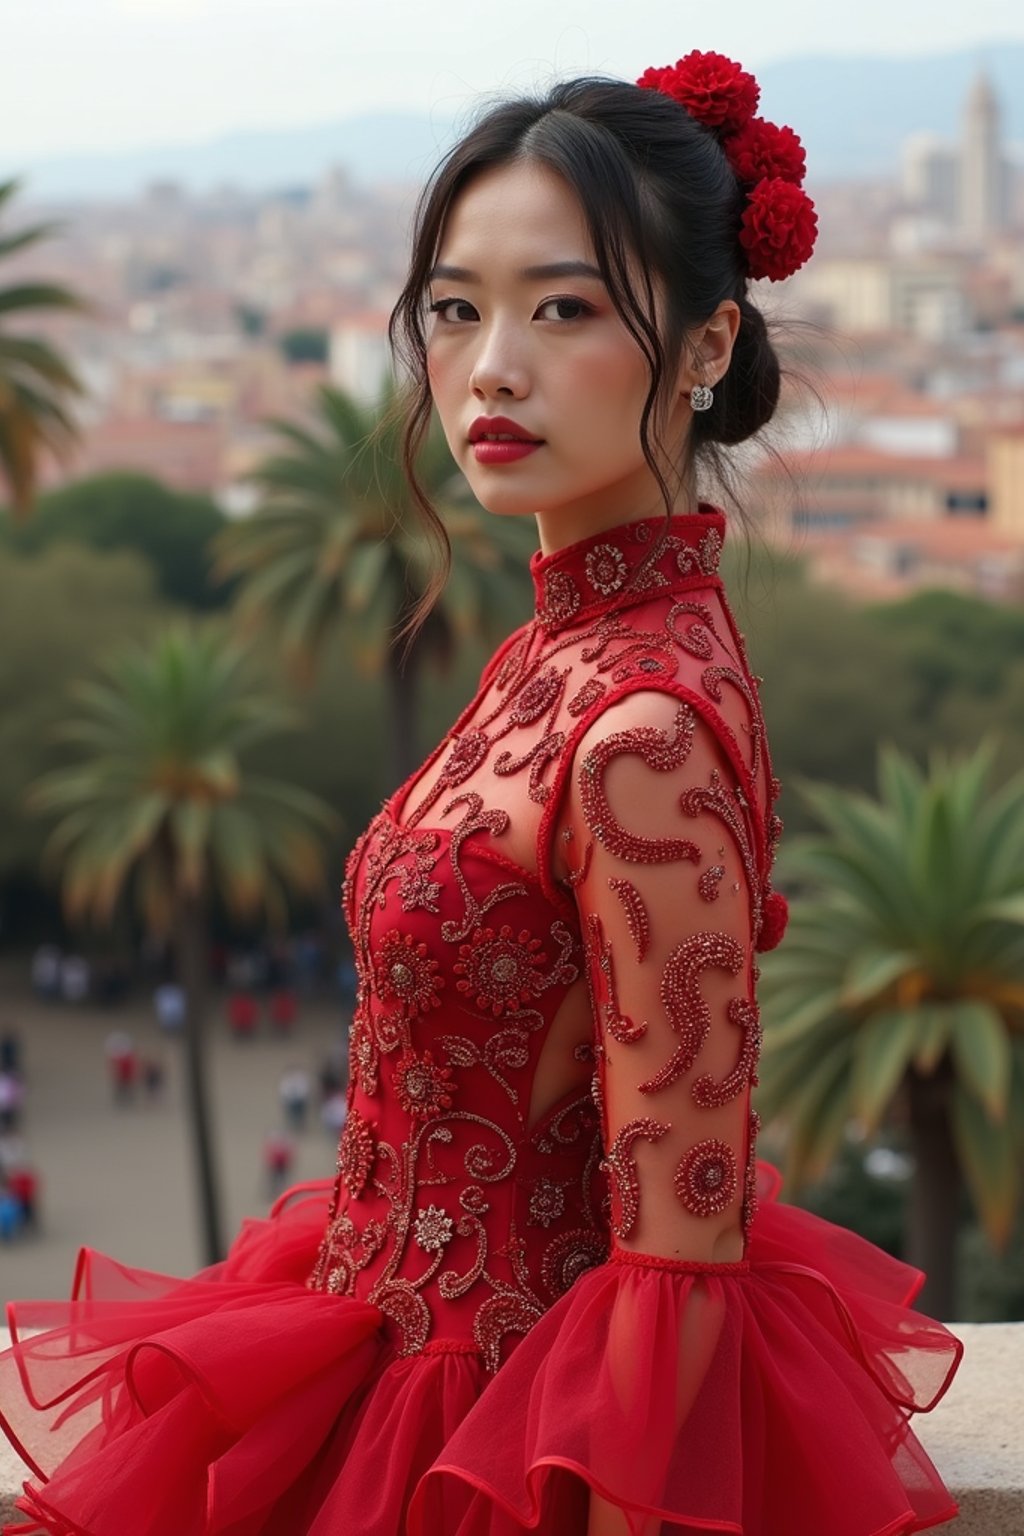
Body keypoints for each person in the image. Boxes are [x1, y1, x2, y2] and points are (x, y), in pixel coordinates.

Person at [0, 50, 963, 1536]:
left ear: (707, 345)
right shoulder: (557, 649)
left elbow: (681, 1247)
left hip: (487, 1438)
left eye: (562, 308)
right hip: (378, 1355)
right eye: (456, 310)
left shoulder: (643, 730)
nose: (490, 365)